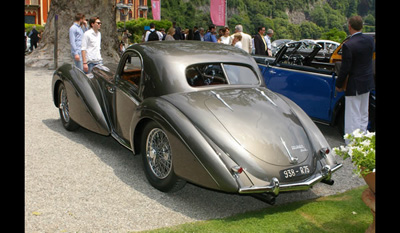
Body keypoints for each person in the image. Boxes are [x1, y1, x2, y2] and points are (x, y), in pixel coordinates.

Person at [335, 16, 375, 140]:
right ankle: (362, 140)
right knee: (364, 113)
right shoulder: (370, 40)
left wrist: (339, 84)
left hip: (355, 84)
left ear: (349, 27)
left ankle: (351, 144)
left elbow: (345, 69)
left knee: (352, 115)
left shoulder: (349, 45)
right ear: (361, 26)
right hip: (367, 82)